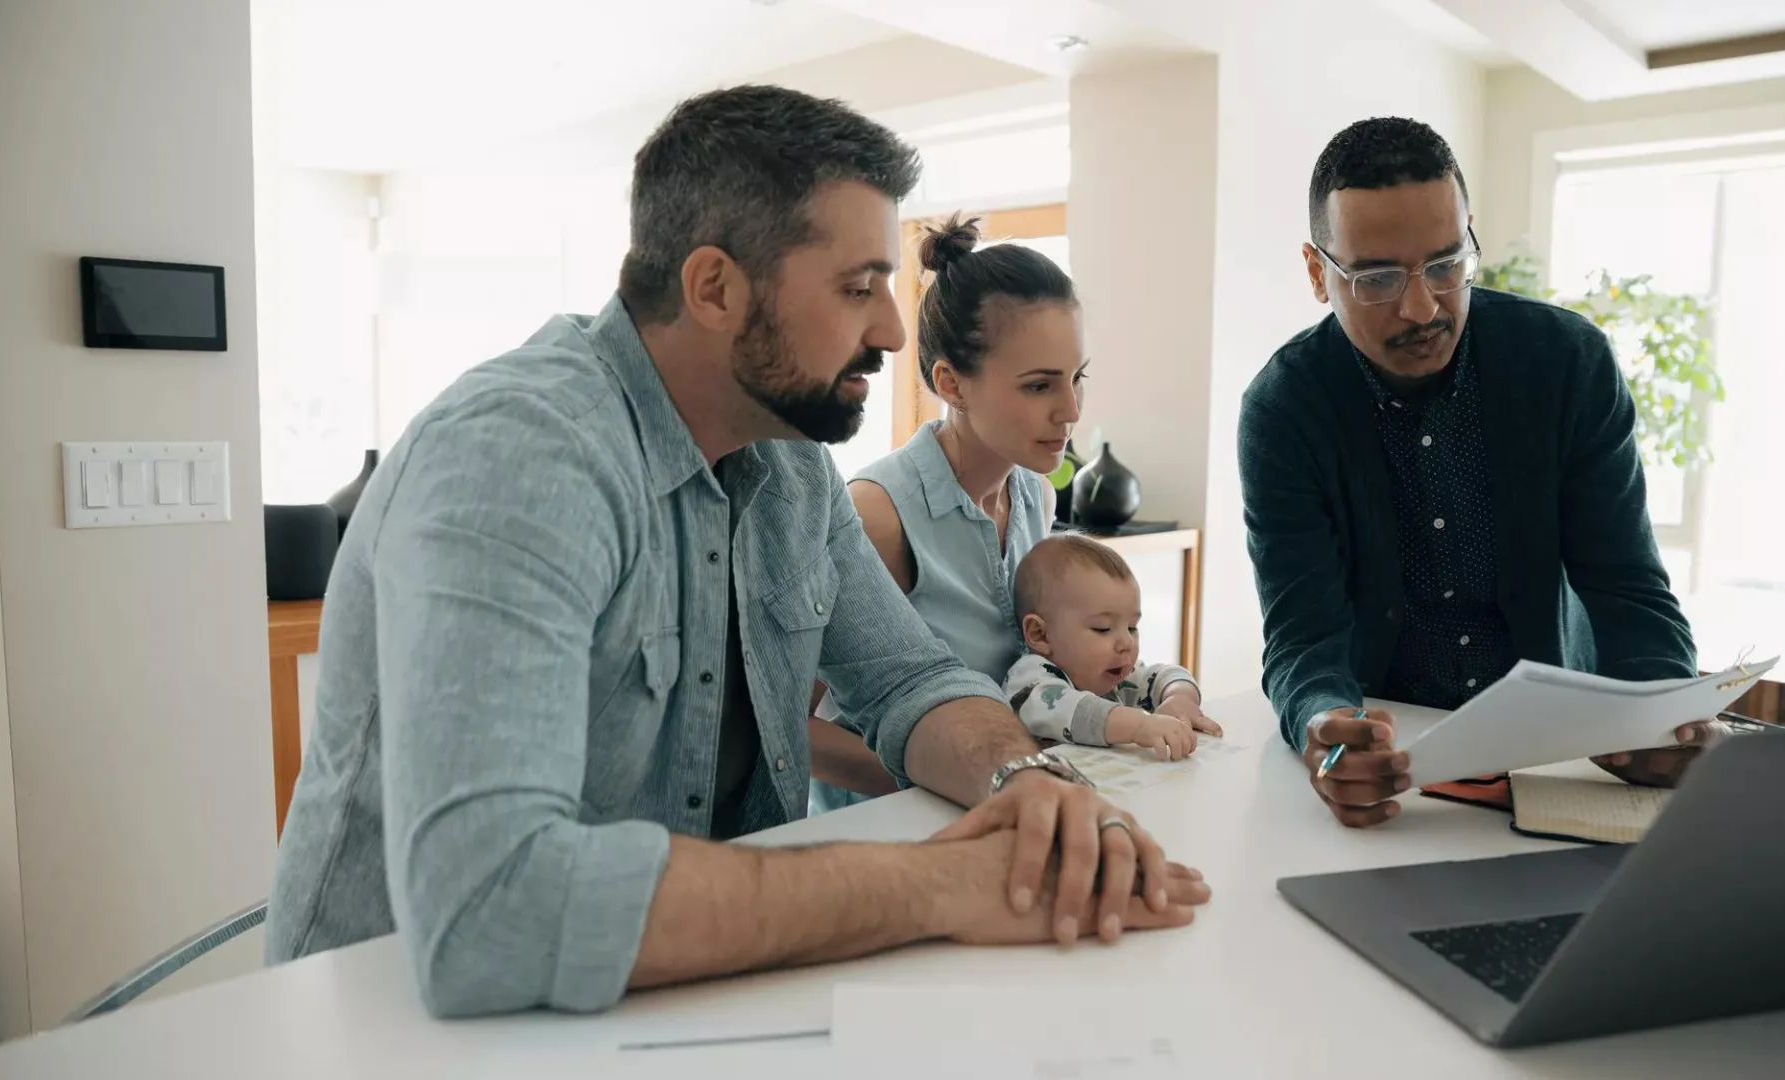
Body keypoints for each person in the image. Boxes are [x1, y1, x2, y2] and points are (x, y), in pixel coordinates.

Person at [264, 85, 1209, 1019]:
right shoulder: (521, 456)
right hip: (406, 1031)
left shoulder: (790, 468)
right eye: (857, 287)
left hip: (687, 996)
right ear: (714, 287)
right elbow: (490, 907)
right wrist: (938, 885)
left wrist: (1027, 785)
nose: (888, 330)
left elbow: (912, 681)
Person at [1237, 116, 1722, 829]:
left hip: (1562, 757)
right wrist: (1323, 726)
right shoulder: (1284, 409)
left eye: (1445, 264)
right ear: (1318, 274)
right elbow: (1304, 633)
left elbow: (1625, 584)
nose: (1422, 306)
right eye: (1376, 277)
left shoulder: (1567, 364)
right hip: (1393, 765)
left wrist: (1663, 714)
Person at [806, 214, 1078, 811]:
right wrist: (968, 779)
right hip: (884, 833)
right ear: (952, 384)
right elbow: (787, 729)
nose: (1071, 410)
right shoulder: (877, 517)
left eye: (1076, 379)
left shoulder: (1037, 494)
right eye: (1039, 386)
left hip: (997, 804)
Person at [1002, 534, 1223, 761]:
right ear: (1041, 635)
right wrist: (1140, 725)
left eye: (1132, 627)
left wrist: (1179, 698)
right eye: (1103, 628)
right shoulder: (1030, 681)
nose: (1127, 642)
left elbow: (1166, 674)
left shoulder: (1117, 674)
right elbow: (1080, 712)